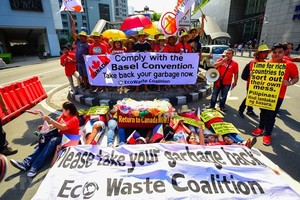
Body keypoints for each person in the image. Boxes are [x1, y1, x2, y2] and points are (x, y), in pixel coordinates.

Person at [10, 101, 79, 177]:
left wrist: (49, 119)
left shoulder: (74, 119)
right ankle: (26, 163)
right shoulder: (64, 115)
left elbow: (62, 127)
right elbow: (55, 125)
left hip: (70, 139)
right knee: (43, 141)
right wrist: (47, 126)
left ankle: (34, 167)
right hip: (61, 136)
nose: (62, 111)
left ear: (68, 111)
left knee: (52, 141)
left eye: (63, 110)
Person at [252, 43, 299, 145]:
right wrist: (254, 74)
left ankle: (267, 134)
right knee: (263, 112)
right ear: (272, 53)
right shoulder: (267, 64)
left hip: (278, 96)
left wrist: (289, 83)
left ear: (284, 53)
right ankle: (260, 128)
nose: (277, 54)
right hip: (264, 94)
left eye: (280, 52)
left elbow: (296, 78)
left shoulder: (290, 64)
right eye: (275, 52)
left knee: (271, 115)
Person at [238, 44, 271, 118]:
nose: (266, 54)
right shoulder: (254, 62)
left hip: (260, 84)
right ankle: (241, 110)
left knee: (253, 98)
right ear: (259, 54)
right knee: (249, 98)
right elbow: (252, 73)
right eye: (264, 52)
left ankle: (249, 110)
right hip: (251, 84)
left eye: (267, 52)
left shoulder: (265, 63)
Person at [70, 16, 90, 90]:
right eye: (81, 36)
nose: (81, 38)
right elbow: (73, 32)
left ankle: (89, 85)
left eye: (83, 37)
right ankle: (85, 85)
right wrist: (73, 25)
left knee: (87, 75)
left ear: (85, 38)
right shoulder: (78, 42)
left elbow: (90, 53)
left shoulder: (88, 45)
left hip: (85, 62)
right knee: (82, 75)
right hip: (79, 63)